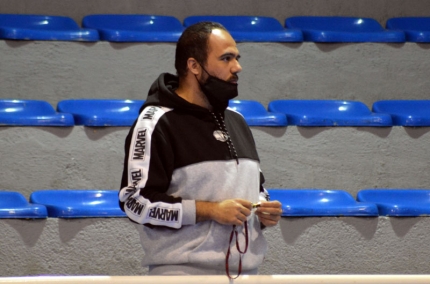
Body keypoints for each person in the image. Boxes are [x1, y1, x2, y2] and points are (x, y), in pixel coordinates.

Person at [119, 21, 282, 277]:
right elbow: (134, 202)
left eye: (237, 58)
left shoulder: (237, 121)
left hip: (247, 272)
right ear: (194, 66)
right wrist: (211, 211)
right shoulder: (156, 121)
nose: (237, 67)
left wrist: (263, 210)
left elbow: (257, 189)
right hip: (182, 274)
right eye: (226, 58)